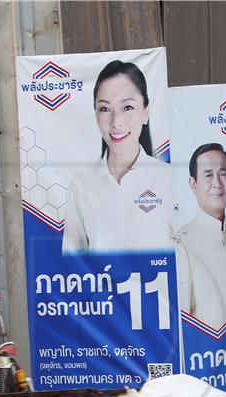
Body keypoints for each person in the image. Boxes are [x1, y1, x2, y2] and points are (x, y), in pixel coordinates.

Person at [62, 60, 174, 254]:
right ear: (96, 115)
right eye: (105, 109)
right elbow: (73, 263)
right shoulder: (81, 184)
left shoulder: (168, 179)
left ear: (145, 113)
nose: (116, 122)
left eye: (127, 107)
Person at [175, 143, 226, 329]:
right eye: (208, 174)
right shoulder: (181, 243)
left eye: (223, 173)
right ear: (194, 184)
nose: (217, 182)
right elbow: (179, 321)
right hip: (209, 353)